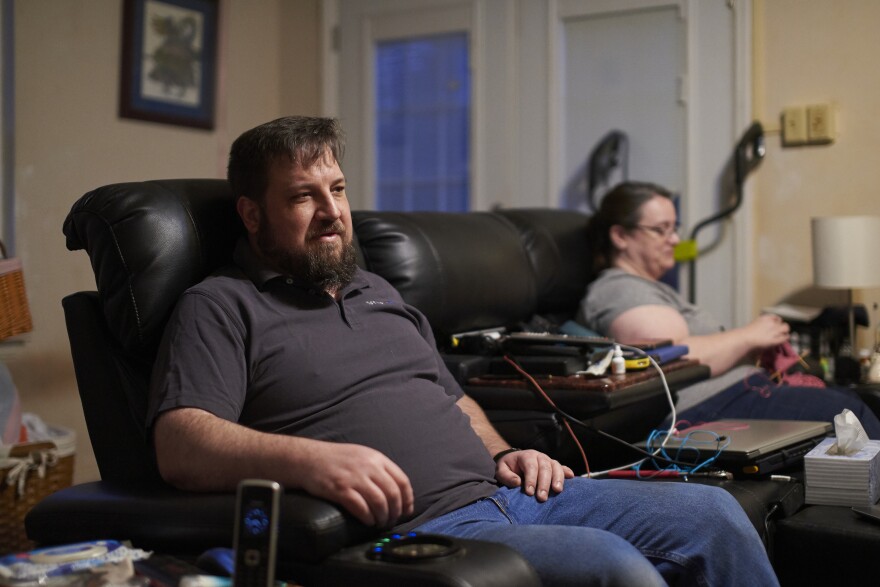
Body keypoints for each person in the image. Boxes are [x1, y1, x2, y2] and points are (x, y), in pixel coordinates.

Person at [146, 116, 780, 586]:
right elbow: (181, 444)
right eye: (302, 196)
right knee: (612, 569)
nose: (331, 212)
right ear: (252, 216)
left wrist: (506, 451)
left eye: (336, 189)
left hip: (517, 496)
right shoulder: (222, 305)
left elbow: (454, 399)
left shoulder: (378, 291)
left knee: (714, 514)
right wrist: (313, 461)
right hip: (427, 530)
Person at [577, 180, 880, 438]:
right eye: (661, 229)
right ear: (619, 236)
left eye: (675, 228)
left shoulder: (653, 288)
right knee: (850, 415)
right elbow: (670, 359)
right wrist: (750, 336)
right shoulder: (618, 288)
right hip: (705, 409)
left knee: (854, 400)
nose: (675, 239)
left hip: (740, 391)